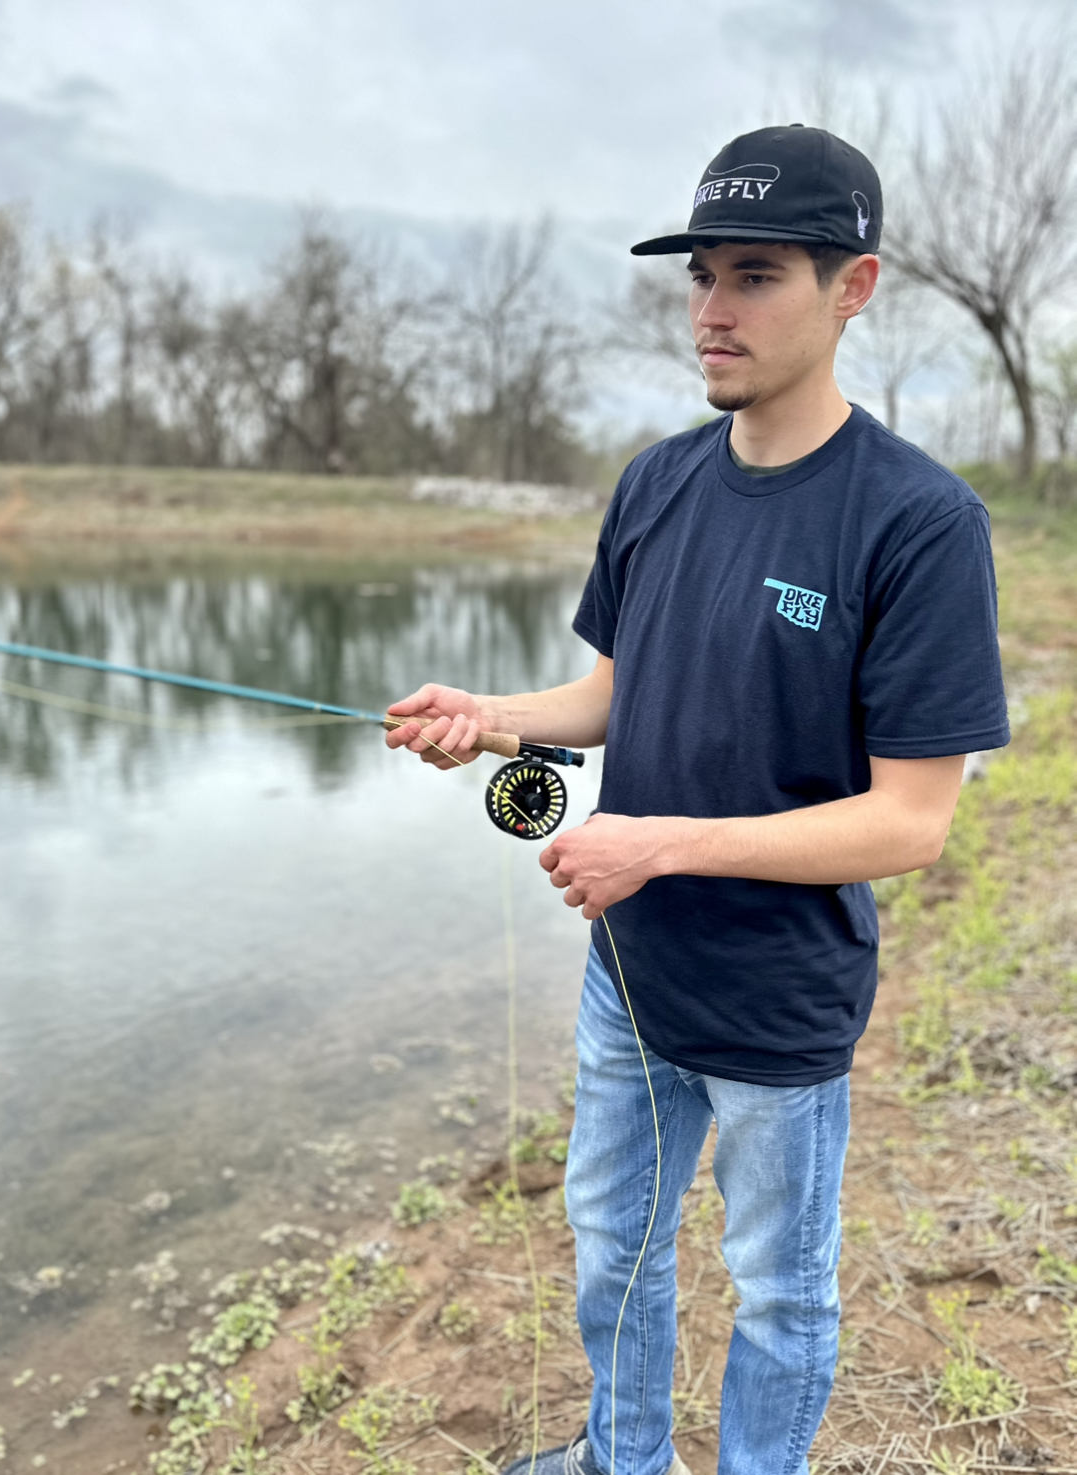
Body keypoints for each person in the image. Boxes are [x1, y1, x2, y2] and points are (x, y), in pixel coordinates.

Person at [385, 124, 1009, 1475]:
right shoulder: (657, 482)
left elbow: (910, 820)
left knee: (778, 1292)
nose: (711, 311)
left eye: (756, 275)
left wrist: (658, 842)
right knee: (611, 1247)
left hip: (776, 1004)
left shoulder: (917, 522)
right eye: (700, 276)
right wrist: (485, 715)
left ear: (853, 289)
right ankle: (622, 1459)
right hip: (629, 974)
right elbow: (611, 691)